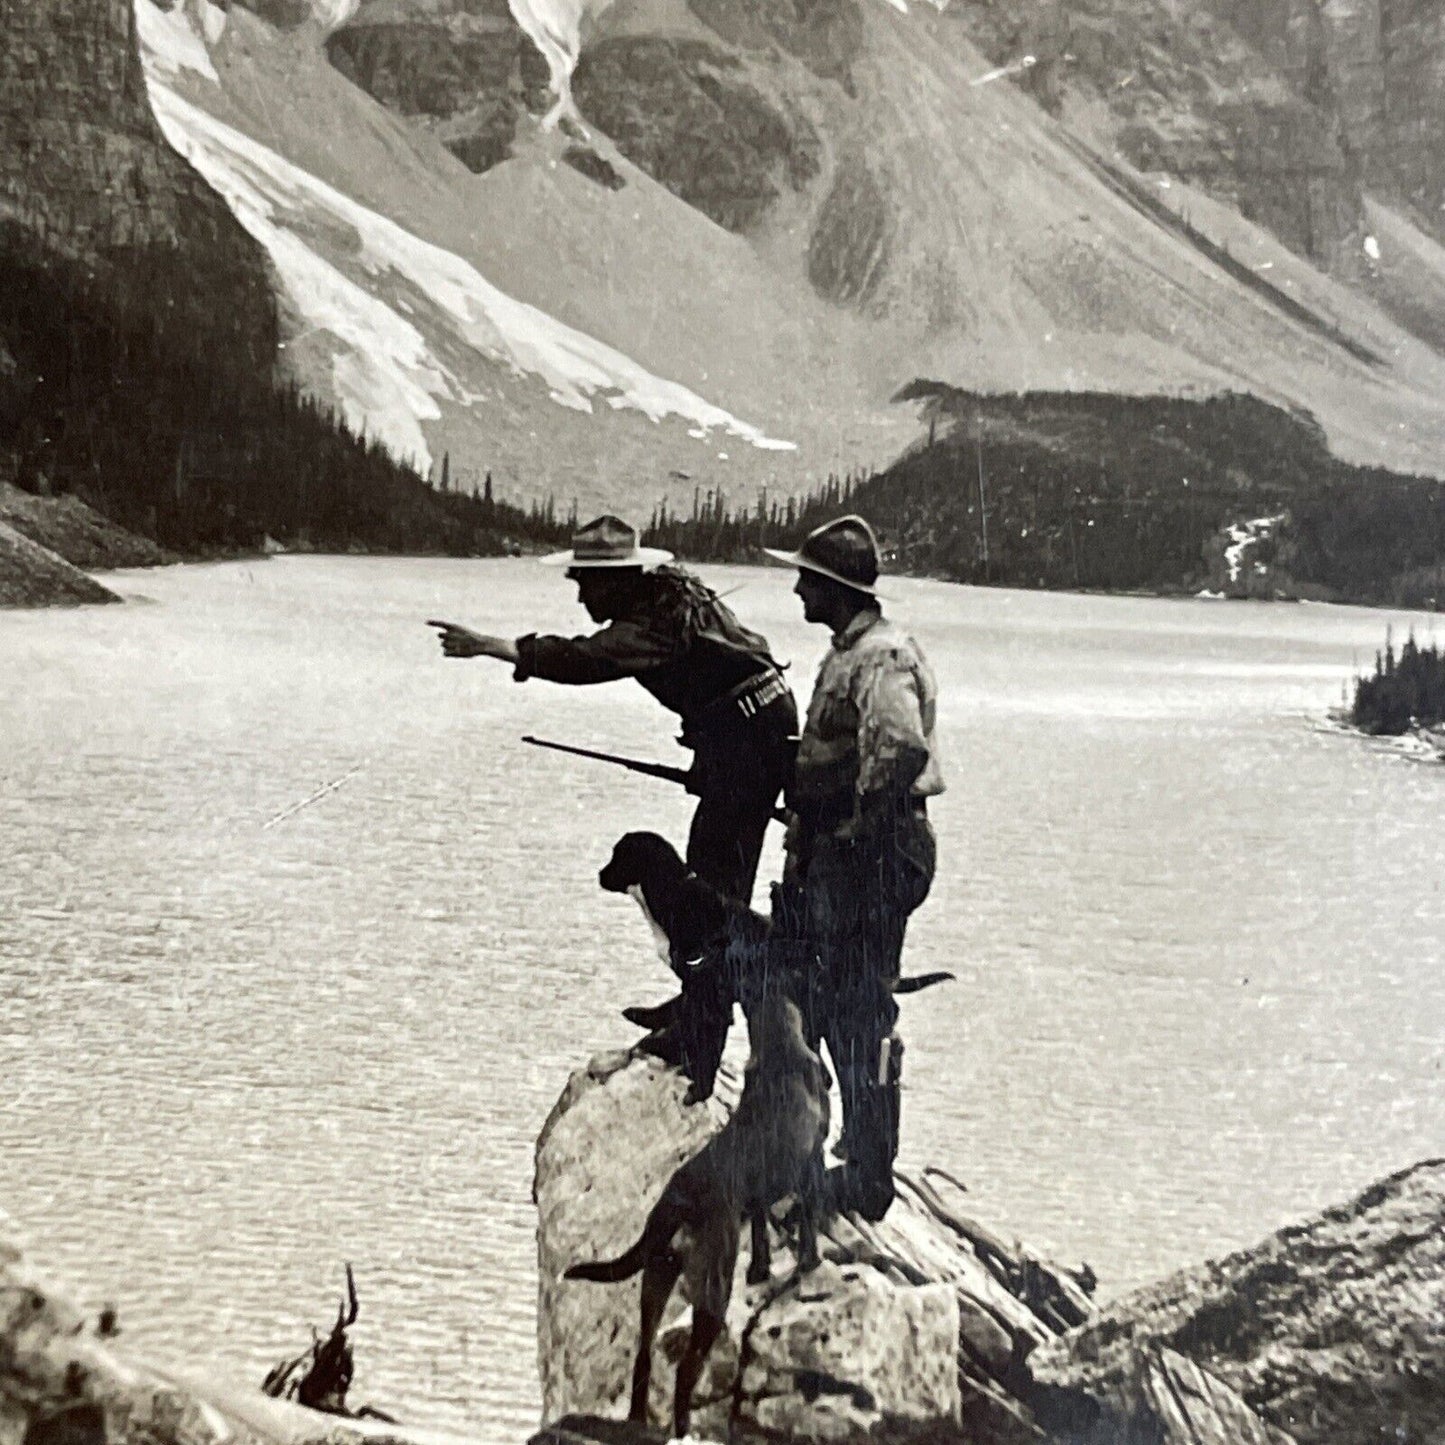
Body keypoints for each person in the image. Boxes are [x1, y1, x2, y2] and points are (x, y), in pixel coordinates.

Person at [428, 514, 798, 1093]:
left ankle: (700, 1040)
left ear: (616, 581)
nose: (578, 593)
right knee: (710, 882)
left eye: (585, 582)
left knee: (710, 891)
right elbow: (746, 660)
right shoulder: (676, 598)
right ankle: (697, 1008)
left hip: (747, 738)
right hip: (753, 728)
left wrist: (493, 647)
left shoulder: (647, 625)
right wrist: (711, 741)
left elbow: (585, 660)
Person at [764, 515, 944, 1222]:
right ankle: (837, 1151)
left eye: (806, 578)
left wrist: (855, 822)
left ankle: (869, 1174)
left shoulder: (881, 656)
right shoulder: (853, 650)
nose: (796, 588)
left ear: (834, 588)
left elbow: (899, 747)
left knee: (861, 1007)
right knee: (824, 997)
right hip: (846, 852)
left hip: (872, 854)